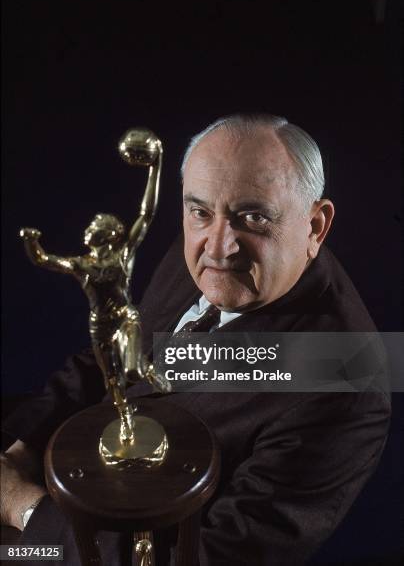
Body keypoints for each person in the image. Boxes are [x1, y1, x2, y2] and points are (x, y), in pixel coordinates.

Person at [1, 114, 391, 565]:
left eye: (255, 217)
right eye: (200, 211)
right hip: (74, 470)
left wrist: (23, 508)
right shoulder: (210, 235)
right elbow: (112, 359)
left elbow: (206, 558)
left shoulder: (346, 389)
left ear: (316, 226)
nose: (219, 246)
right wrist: (20, 450)